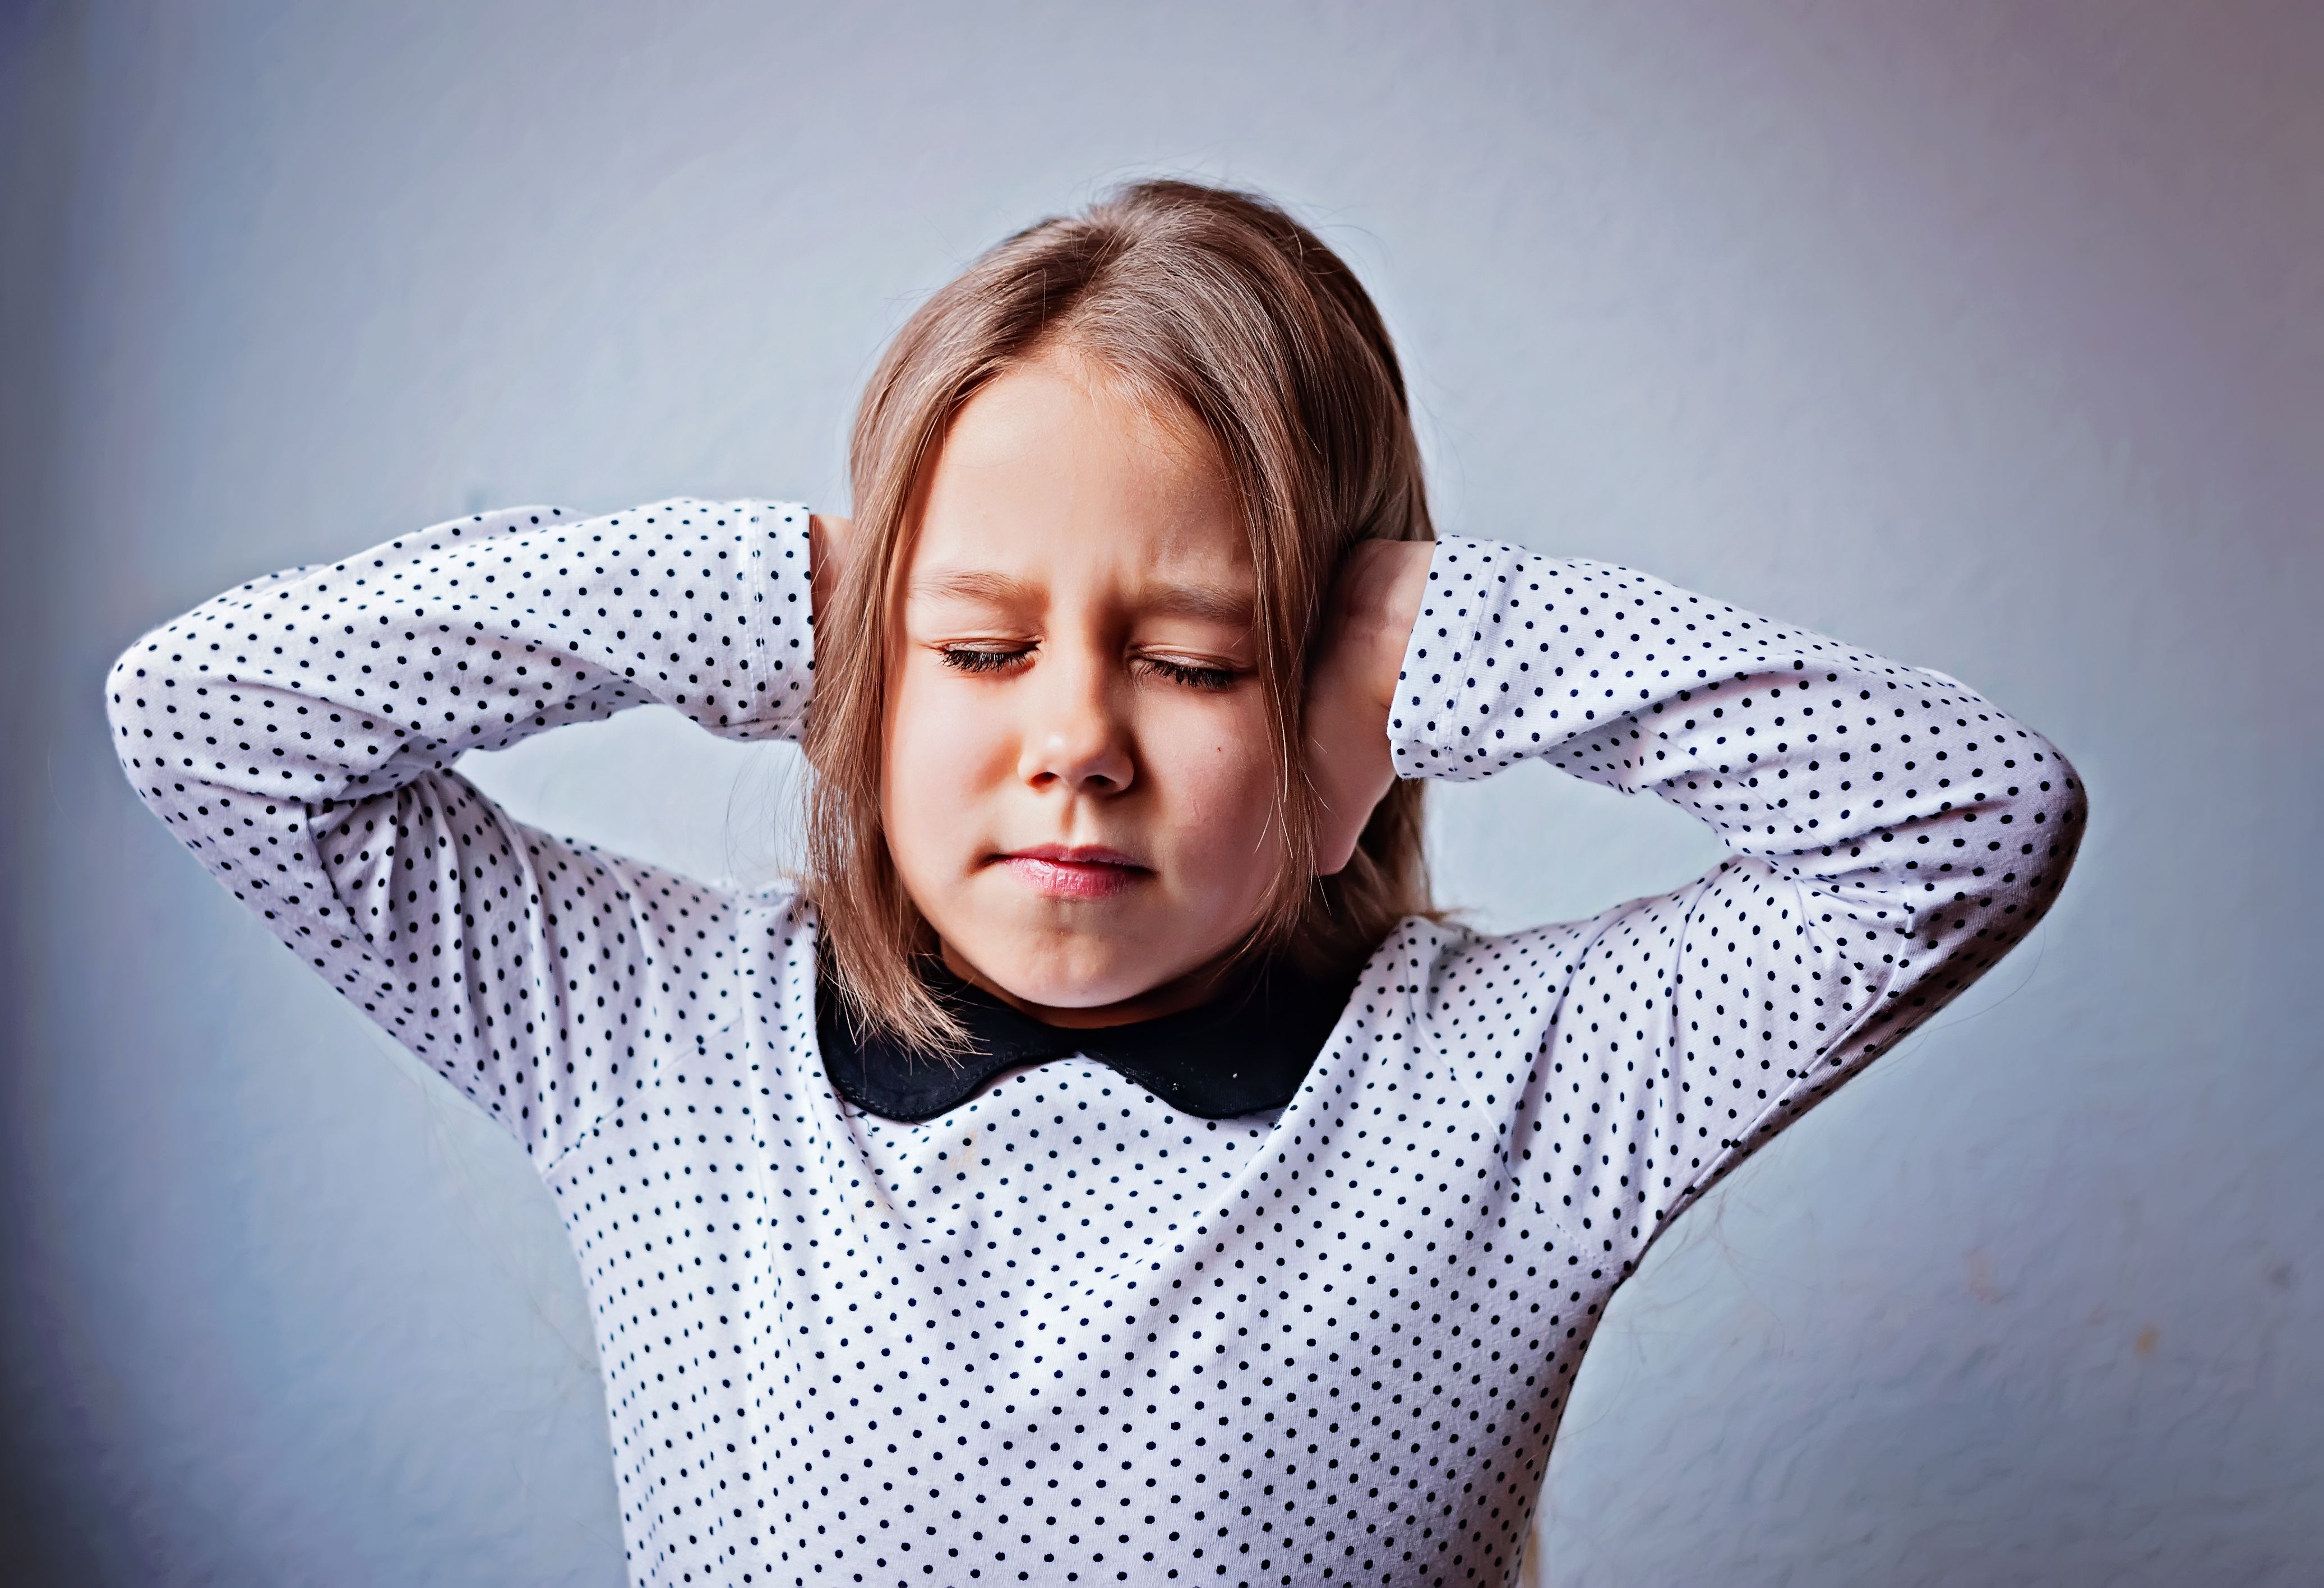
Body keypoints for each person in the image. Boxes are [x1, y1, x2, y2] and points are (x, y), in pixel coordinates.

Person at [106, 179, 2083, 1588]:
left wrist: (1432, 646)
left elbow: (1967, 816)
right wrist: (771, 603)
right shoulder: (651, 1042)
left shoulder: (1518, 1092)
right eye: (975, 653)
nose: (1077, 740)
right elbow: (205, 718)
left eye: (1203, 662)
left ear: (1333, 706)